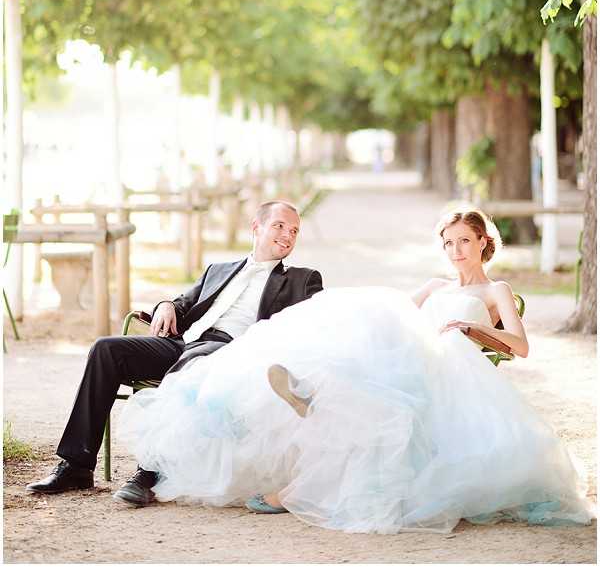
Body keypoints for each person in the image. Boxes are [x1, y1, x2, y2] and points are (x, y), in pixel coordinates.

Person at [116, 209, 593, 533]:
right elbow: (398, 320)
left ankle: (293, 481)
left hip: (451, 358)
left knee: (369, 396)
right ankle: (307, 386)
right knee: (367, 332)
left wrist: (474, 327)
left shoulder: (497, 291)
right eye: (448, 243)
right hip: (414, 350)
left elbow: (520, 345)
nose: (454, 250)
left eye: (464, 241)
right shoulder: (433, 283)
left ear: (484, 242)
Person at [26, 200, 323, 505]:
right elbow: (183, 304)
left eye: (294, 231)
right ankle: (77, 465)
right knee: (106, 350)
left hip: (229, 354)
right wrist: (166, 305)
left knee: (193, 363)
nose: (288, 235)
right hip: (183, 343)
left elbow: (311, 325)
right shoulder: (218, 270)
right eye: (279, 226)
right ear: (256, 227)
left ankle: (148, 473)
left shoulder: (302, 280)